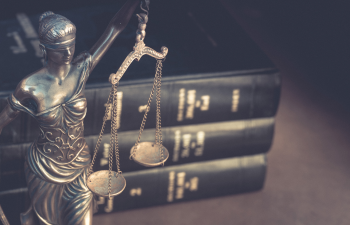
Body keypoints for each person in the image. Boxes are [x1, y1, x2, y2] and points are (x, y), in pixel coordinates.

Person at [0, 0, 140, 224]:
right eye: (59, 49)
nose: (67, 52)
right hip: (44, 168)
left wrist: (134, 3)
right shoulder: (30, 86)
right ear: (45, 49)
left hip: (79, 163)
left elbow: (116, 27)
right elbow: (4, 118)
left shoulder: (81, 70)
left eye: (71, 45)